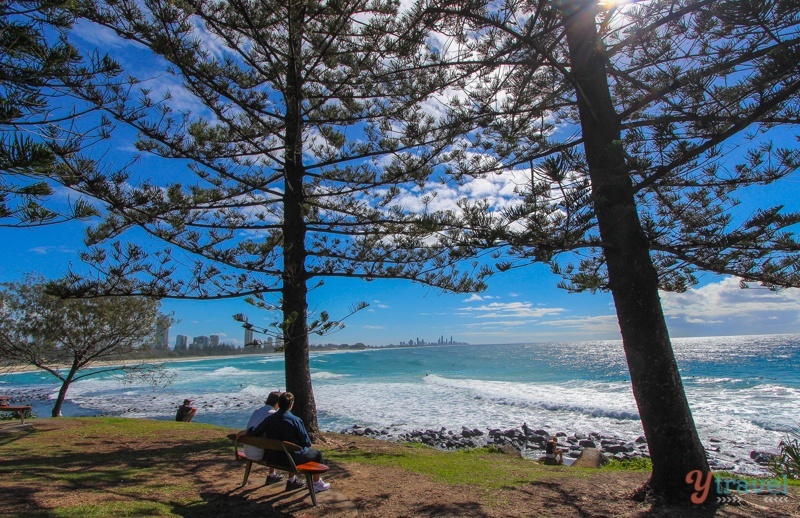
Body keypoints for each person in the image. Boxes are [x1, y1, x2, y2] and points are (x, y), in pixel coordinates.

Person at [251, 392, 330, 493]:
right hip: (290, 460)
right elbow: (307, 442)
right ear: (291, 404)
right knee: (317, 455)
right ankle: (316, 483)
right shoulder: (295, 420)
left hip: (272, 457)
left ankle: (302, 482)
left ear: (278, 404)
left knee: (293, 451)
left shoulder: (269, 419)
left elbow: (256, 432)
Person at [243, 391, 284, 485]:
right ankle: (290, 479)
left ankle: (272, 474)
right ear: (277, 403)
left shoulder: (257, 411)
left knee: (269, 440)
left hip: (248, 450)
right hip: (258, 454)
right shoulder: (273, 415)